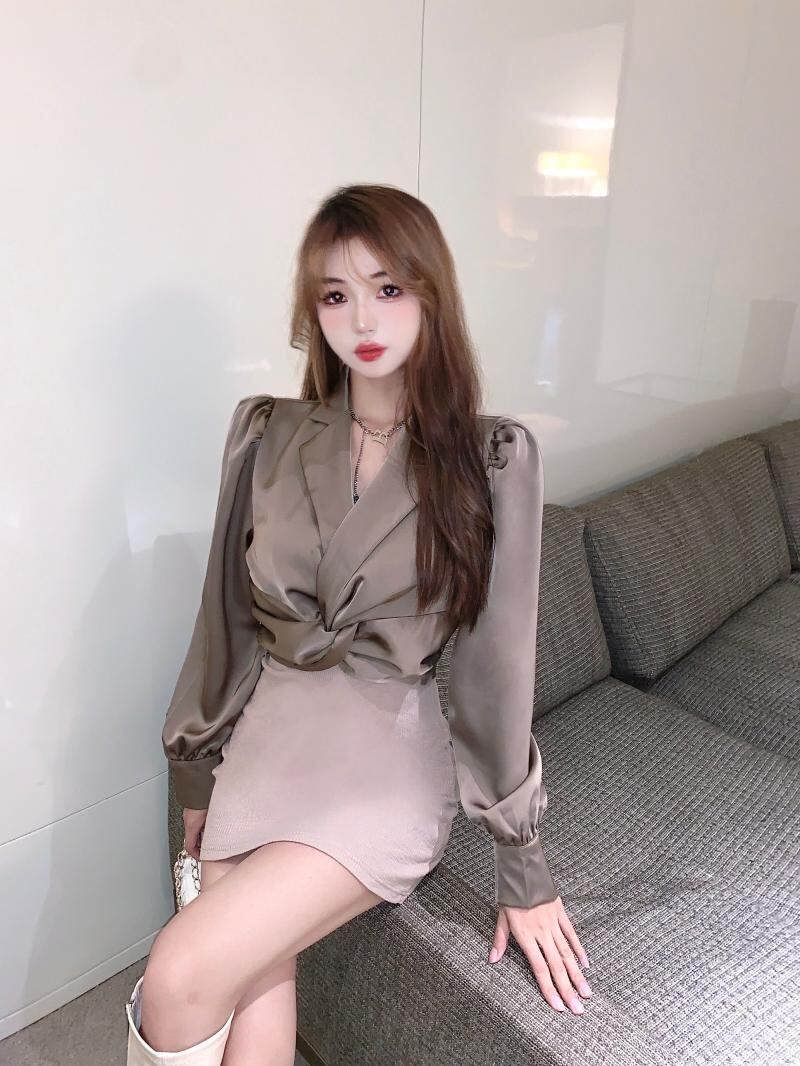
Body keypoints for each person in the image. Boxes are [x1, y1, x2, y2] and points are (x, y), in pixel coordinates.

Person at [126, 184, 591, 1066]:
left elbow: (495, 675)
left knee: (179, 970)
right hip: (268, 740)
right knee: (245, 991)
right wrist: (195, 768)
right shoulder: (267, 435)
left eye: (388, 288)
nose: (362, 319)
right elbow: (225, 619)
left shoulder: (489, 459)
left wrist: (522, 865)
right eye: (336, 295)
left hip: (381, 760)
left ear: (430, 293)